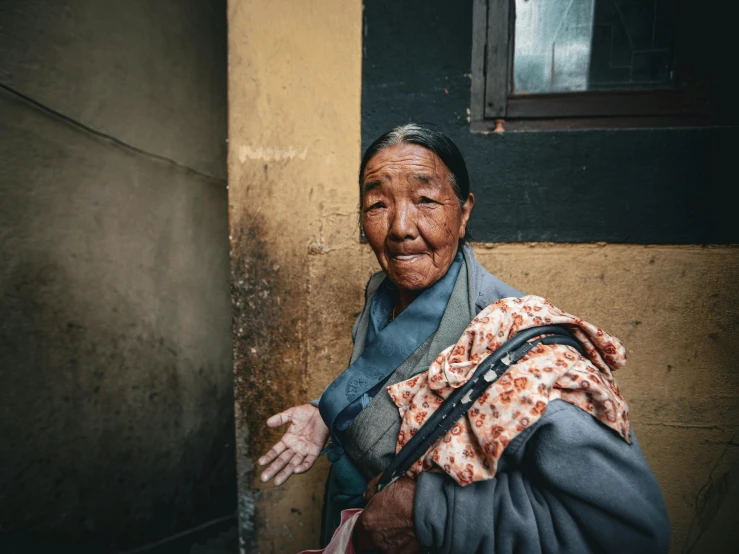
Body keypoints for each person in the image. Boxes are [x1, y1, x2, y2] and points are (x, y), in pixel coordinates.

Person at [258, 124, 671, 554]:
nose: (399, 227)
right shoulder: (381, 294)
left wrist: (429, 511)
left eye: (425, 200)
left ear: (465, 211)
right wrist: (326, 412)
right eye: (377, 203)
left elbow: (632, 533)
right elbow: (383, 380)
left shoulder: (520, 347)